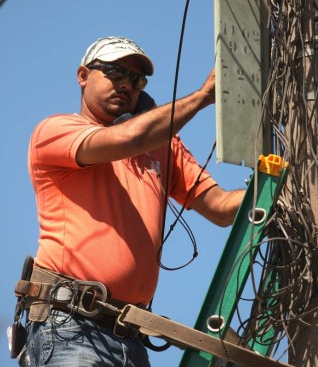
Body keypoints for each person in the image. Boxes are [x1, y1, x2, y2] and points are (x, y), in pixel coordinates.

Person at [19, 36, 245, 367]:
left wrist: (279, 187)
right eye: (115, 72)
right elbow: (129, 138)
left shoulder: (162, 147)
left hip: (132, 339)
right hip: (71, 326)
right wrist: (200, 98)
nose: (126, 84)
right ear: (83, 75)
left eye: (137, 80)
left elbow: (222, 208)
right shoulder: (57, 131)